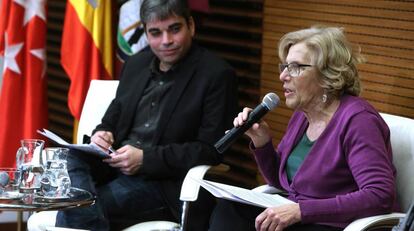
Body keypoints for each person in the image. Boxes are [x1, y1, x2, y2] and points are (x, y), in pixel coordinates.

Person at [55, 0, 238, 230]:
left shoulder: (217, 75)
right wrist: (104, 132)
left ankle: (82, 211)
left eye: (174, 29)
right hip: (113, 166)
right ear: (145, 32)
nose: (166, 41)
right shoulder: (136, 63)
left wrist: (145, 159)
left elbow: (210, 150)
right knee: (69, 157)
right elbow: (113, 116)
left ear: (190, 25)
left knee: (77, 206)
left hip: (162, 182)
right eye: (155, 32)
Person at [209, 25, 399, 231]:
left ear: (327, 74)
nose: (283, 76)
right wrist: (261, 141)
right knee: (229, 209)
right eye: (285, 67)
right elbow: (282, 183)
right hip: (298, 216)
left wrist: (302, 210)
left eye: (296, 67)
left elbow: (379, 195)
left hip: (334, 224)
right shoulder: (302, 115)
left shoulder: (358, 120)